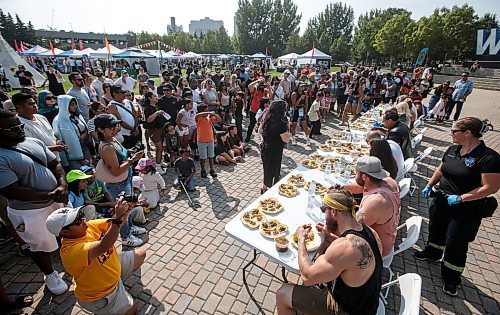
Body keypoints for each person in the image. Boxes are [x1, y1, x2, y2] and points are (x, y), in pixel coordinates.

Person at [414, 117, 500, 296]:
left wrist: (462, 198)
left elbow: (490, 187)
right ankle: (432, 253)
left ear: (467, 133)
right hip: (442, 199)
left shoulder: (488, 157)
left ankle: (452, 276)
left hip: (465, 208)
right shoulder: (453, 149)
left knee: (456, 241)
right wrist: (430, 184)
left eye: (454, 131)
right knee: (436, 229)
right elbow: (441, 168)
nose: (451, 134)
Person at [276, 188, 383, 315]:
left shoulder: (346, 246)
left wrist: (301, 239)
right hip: (367, 305)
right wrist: (331, 238)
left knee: (283, 293)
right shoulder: (370, 232)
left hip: (347, 310)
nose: (323, 215)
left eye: (323, 210)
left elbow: (307, 277)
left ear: (334, 211)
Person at [0, 108, 69, 295]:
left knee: (65, 232)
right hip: (29, 211)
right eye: (13, 128)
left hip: (55, 200)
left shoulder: (33, 141)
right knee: (39, 244)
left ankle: (70, 260)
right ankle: (50, 274)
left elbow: (55, 164)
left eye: (20, 125)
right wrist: (51, 195)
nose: (20, 129)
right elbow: (12, 190)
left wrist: (63, 185)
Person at [45, 200, 147, 315]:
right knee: (132, 311)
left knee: (141, 253)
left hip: (110, 270)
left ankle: (118, 288)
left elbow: (114, 223)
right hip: (100, 295)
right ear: (65, 232)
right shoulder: (70, 251)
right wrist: (118, 217)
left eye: (80, 215)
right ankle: (108, 306)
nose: (83, 219)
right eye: (77, 221)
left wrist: (127, 209)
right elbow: (105, 245)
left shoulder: (87, 226)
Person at [94, 114, 145, 247]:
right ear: (101, 129)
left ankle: (130, 227)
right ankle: (126, 236)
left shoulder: (113, 140)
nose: (115, 129)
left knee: (127, 208)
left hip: (124, 179)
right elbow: (115, 171)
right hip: (117, 184)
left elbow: (121, 154)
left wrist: (130, 152)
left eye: (115, 125)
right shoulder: (107, 147)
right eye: (111, 127)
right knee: (122, 211)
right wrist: (133, 160)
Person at [343, 156, 400, 257]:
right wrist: (341, 188)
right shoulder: (388, 181)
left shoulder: (376, 202)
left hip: (376, 249)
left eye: (356, 172)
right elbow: (361, 188)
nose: (355, 175)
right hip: (386, 236)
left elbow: (352, 229)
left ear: (365, 177)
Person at [13, 93, 66, 161]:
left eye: (34, 103)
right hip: (43, 161)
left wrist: (58, 141)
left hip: (56, 158)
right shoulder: (19, 125)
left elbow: (52, 135)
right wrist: (55, 148)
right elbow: (33, 148)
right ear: (20, 107)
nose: (35, 106)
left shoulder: (41, 117)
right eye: (30, 104)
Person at [259, 100, 291, 193]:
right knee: (273, 171)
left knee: (267, 170)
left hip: (265, 147)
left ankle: (264, 188)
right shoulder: (281, 123)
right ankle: (269, 191)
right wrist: (287, 125)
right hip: (275, 151)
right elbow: (286, 139)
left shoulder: (267, 118)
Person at [53, 95, 91, 169]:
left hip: (84, 146)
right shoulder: (58, 121)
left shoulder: (77, 115)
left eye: (75, 104)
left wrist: (85, 134)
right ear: (65, 106)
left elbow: (85, 127)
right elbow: (60, 138)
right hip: (72, 155)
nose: (75, 106)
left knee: (88, 169)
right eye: (72, 105)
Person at [143, 92, 167, 174]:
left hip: (160, 129)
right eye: (154, 96)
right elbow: (148, 120)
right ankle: (158, 166)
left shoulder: (157, 106)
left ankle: (160, 162)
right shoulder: (148, 109)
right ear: (149, 98)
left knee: (161, 147)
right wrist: (156, 113)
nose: (156, 98)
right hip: (153, 130)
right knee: (159, 148)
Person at [195, 104, 221, 178]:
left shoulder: (209, 118)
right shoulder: (198, 118)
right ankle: (203, 170)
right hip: (201, 141)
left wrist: (214, 114)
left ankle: (212, 169)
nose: (207, 111)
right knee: (203, 157)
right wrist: (209, 113)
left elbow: (219, 120)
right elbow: (197, 116)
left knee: (211, 156)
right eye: (205, 110)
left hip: (210, 140)